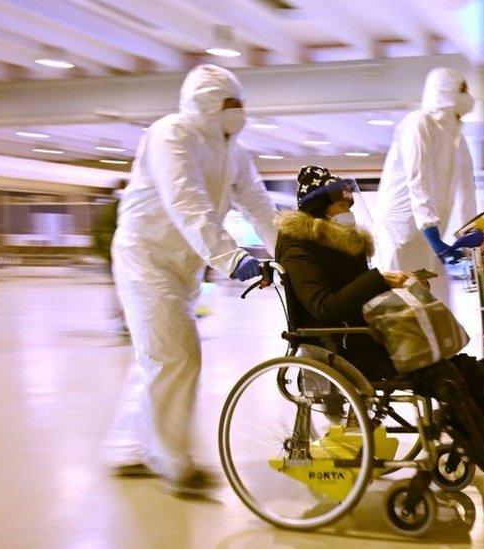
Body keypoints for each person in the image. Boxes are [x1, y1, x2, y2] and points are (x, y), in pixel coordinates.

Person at [277, 166, 484, 510]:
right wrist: (380, 279)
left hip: (368, 336)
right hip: (342, 348)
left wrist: (398, 284)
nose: (349, 210)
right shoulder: (298, 245)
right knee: (446, 379)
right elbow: (324, 306)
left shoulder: (340, 241)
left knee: (472, 367)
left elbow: (358, 297)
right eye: (341, 203)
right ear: (320, 206)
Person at [102, 64, 279, 494]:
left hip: (182, 266)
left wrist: (290, 249)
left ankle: (127, 446)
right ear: (206, 103)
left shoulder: (233, 150)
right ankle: (172, 463)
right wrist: (231, 257)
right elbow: (187, 201)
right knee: (177, 356)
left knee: (158, 355)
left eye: (241, 103)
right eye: (230, 103)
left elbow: (256, 202)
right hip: (146, 258)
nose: (239, 112)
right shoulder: (171, 135)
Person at [373, 67, 478, 308]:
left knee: (436, 299)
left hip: (431, 232)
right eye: (463, 90)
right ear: (446, 92)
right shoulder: (418, 124)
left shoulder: (456, 138)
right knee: (402, 301)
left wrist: (472, 228)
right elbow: (418, 180)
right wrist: (433, 235)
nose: (468, 98)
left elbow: (467, 187)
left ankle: (442, 346)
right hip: (402, 229)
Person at [91, 179, 128, 337]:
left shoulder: (114, 209)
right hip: (120, 258)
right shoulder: (119, 210)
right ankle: (125, 319)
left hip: (120, 257)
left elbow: (98, 234)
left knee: (124, 290)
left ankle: (125, 318)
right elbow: (100, 234)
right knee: (126, 291)